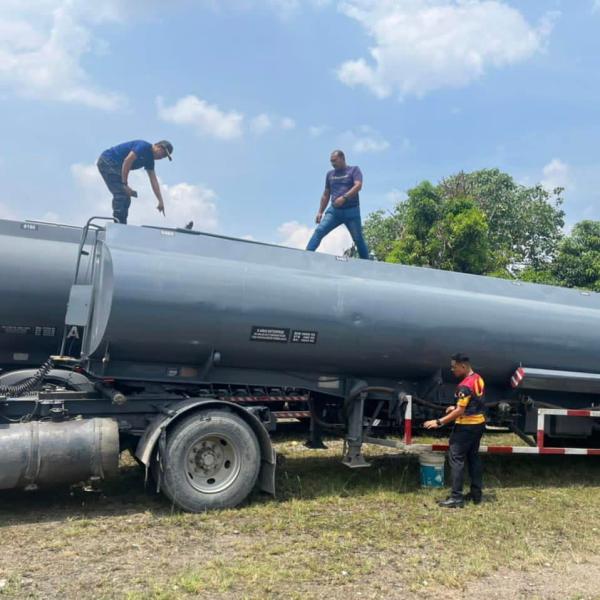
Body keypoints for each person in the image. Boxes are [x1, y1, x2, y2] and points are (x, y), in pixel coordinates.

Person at [424, 353, 486, 508]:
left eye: (454, 367)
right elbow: (474, 402)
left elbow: (460, 411)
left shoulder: (464, 386)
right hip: (478, 424)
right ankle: (476, 494)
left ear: (463, 366)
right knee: (473, 458)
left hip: (465, 427)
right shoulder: (478, 378)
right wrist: (457, 406)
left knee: (456, 459)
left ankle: (456, 498)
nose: (452, 370)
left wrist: (438, 422)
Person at [306, 150, 370, 259]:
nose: (333, 164)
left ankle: (366, 264)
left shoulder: (354, 170)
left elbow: (358, 185)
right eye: (331, 161)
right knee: (319, 231)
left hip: (352, 211)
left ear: (342, 158)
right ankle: (305, 256)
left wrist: (344, 197)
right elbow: (326, 194)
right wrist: (320, 212)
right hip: (334, 212)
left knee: (358, 239)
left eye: (335, 161)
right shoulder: (330, 174)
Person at [97, 140, 173, 224]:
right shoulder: (143, 146)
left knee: (126, 197)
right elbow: (127, 161)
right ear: (157, 146)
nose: (161, 157)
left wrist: (160, 201)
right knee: (122, 193)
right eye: (162, 153)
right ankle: (118, 224)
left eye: (164, 156)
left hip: (116, 166)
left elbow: (153, 180)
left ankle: (122, 224)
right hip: (108, 160)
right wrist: (125, 184)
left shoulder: (149, 160)